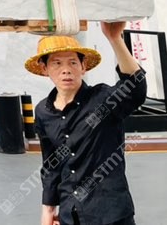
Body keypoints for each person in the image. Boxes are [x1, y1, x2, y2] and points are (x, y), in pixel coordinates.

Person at [25, 23, 146, 225]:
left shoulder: (103, 100)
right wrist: (48, 210)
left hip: (110, 213)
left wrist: (115, 38)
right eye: (57, 63)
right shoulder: (43, 112)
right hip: (70, 214)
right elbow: (51, 165)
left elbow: (136, 88)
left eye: (73, 62)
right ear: (44, 69)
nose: (66, 70)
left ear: (83, 67)